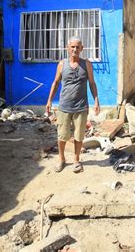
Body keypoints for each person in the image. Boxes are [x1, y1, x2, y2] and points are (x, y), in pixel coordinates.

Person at [46, 36, 100, 173]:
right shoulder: (61, 64)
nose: (75, 49)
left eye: (77, 47)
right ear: (67, 48)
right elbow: (56, 83)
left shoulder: (86, 64)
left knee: (79, 135)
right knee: (62, 135)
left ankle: (76, 160)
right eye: (72, 47)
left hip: (81, 107)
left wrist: (96, 101)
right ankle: (62, 159)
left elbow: (92, 83)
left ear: (82, 49)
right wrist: (49, 101)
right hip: (64, 107)